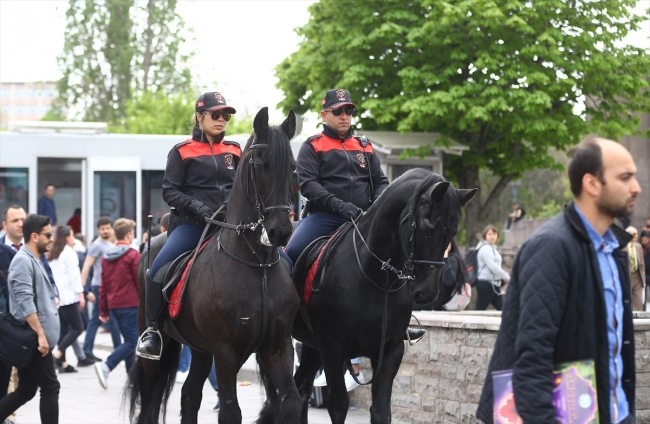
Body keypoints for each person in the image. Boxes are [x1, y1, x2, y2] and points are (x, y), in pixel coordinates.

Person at [477, 136, 640, 423]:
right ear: (591, 184)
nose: (636, 187)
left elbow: (614, 351)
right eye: (625, 178)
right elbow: (532, 360)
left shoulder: (614, 248)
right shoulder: (551, 248)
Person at [284, 88, 423, 346]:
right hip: (324, 218)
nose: (344, 116)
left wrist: (379, 205)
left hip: (364, 219)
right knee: (290, 257)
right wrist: (338, 205)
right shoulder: (312, 145)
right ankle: (286, 318)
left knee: (400, 257)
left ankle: (401, 321)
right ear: (324, 114)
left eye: (348, 110)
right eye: (338, 111)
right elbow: (309, 186)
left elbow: (382, 182)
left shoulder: (364, 146)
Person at [136, 91, 241, 360]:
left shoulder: (235, 149)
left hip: (230, 226)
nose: (221, 120)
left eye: (226, 115)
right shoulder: (181, 151)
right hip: (193, 226)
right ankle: (153, 332)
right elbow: (169, 192)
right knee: (156, 270)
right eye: (215, 114)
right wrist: (195, 206)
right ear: (199, 116)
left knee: (280, 261)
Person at [0, 215, 60, 424]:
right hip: (33, 338)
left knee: (26, 390)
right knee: (51, 387)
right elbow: (25, 302)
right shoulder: (22, 261)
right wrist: (41, 335)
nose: (51, 239)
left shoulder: (33, 259)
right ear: (35, 236)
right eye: (48, 235)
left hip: (35, 337)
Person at [94, 218, 140, 389]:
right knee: (131, 342)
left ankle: (133, 382)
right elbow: (139, 282)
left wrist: (103, 309)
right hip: (130, 305)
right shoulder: (133, 255)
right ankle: (107, 366)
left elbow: (103, 286)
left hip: (114, 306)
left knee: (128, 342)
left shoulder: (106, 258)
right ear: (128, 234)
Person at [48, 226, 93, 372]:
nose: (73, 238)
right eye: (72, 235)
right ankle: (58, 353)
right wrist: (81, 294)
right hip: (68, 296)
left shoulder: (53, 252)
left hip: (57, 297)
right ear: (66, 237)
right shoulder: (69, 252)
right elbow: (75, 276)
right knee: (77, 327)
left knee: (64, 330)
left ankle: (62, 363)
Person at [81, 217, 121, 362]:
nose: (105, 231)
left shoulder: (111, 243)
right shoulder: (96, 245)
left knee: (111, 318)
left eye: (107, 228)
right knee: (97, 318)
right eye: (102, 228)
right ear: (98, 230)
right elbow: (86, 267)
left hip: (111, 286)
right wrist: (83, 289)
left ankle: (118, 349)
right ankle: (87, 350)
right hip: (99, 286)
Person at [412, 239, 467, 311]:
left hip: (437, 302)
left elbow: (449, 281)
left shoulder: (452, 259)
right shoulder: (437, 260)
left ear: (452, 244)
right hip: (432, 299)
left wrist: (445, 256)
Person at [474, 225, 510, 311]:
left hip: (492, 284)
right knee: (479, 310)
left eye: (494, 234)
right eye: (489, 234)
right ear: (485, 236)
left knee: (503, 309)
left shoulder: (491, 248)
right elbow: (493, 267)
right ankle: (471, 324)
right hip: (486, 283)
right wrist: (506, 276)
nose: (492, 236)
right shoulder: (485, 248)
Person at [625, 226, 646, 311]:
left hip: (637, 275)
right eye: (634, 234)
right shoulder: (623, 246)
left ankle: (638, 318)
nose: (637, 236)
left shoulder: (638, 246)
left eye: (637, 234)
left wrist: (643, 278)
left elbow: (641, 263)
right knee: (626, 298)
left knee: (638, 299)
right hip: (627, 275)